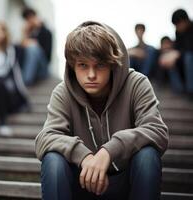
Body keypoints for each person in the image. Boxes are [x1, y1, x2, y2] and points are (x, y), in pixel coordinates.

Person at [35, 21, 169, 200]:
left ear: (112, 63)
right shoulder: (63, 92)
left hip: (126, 183)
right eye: (83, 65)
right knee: (53, 159)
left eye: (99, 65)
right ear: (73, 66)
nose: (91, 74)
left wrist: (109, 151)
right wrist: (85, 157)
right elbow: (46, 137)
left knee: (148, 156)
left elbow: (157, 130)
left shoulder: (136, 83)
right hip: (81, 183)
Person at [20, 7, 52, 86]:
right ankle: (25, 78)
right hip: (32, 69)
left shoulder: (46, 31)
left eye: (31, 17)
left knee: (33, 48)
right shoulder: (28, 34)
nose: (30, 20)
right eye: (27, 19)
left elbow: (47, 55)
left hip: (43, 68)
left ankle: (26, 81)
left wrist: (35, 44)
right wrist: (25, 34)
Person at [171, 9, 193, 96]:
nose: (176, 27)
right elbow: (177, 47)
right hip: (183, 57)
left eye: (178, 24)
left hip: (189, 57)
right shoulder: (178, 32)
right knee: (170, 61)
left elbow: (190, 48)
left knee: (189, 57)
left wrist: (177, 53)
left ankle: (190, 90)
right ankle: (179, 90)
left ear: (185, 21)